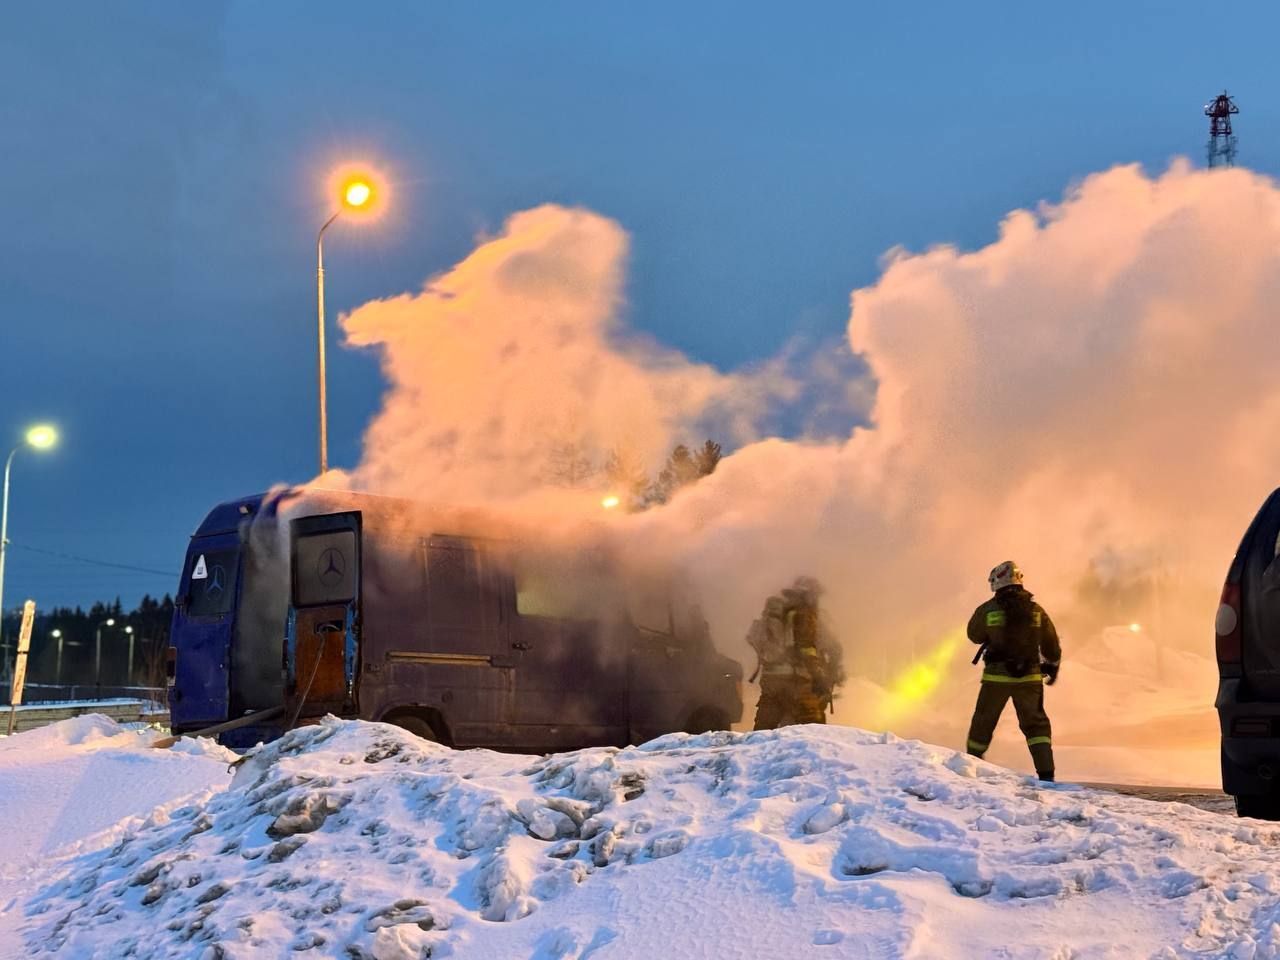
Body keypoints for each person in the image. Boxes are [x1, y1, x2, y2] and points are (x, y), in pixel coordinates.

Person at [965, 561, 1062, 781]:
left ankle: (970, 768)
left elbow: (974, 635)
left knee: (983, 722)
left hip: (996, 678)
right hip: (1030, 677)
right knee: (1036, 726)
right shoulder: (1036, 611)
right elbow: (1051, 644)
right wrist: (1052, 666)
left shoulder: (988, 609)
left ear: (995, 582)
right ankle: (1047, 776)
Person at [749, 577, 845, 730]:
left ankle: (752, 754)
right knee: (812, 730)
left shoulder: (777, 613)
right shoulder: (803, 613)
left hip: (771, 681)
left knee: (763, 733)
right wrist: (819, 677)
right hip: (798, 682)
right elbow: (806, 648)